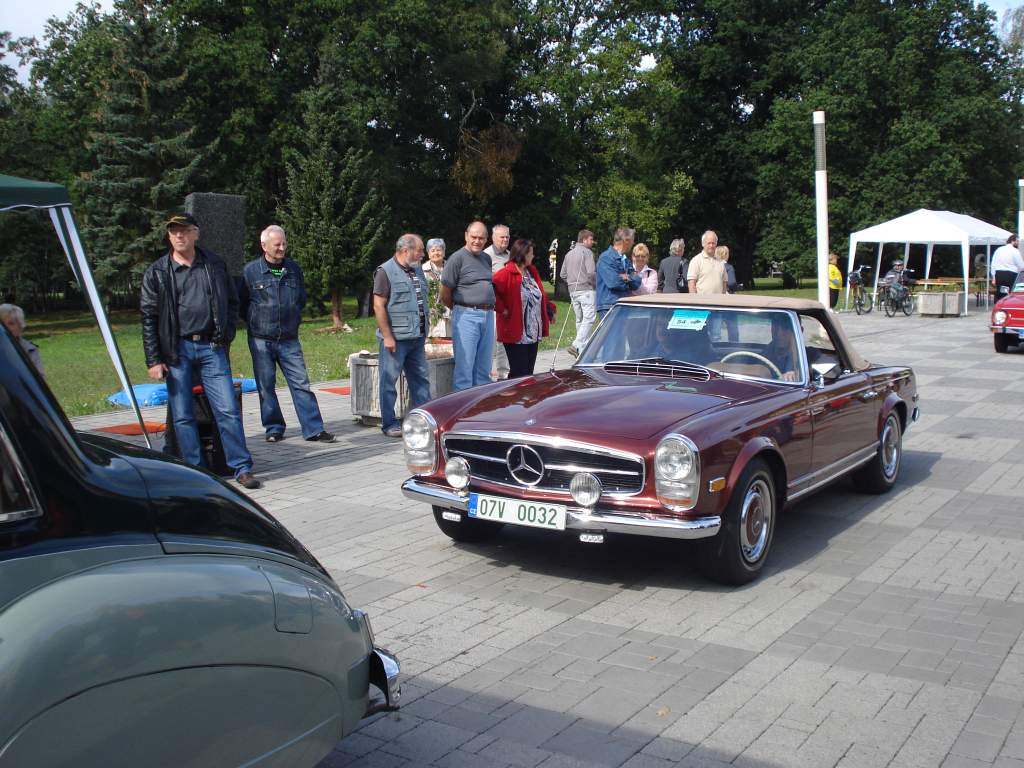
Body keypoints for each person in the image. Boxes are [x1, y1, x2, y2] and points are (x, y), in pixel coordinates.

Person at [140, 212, 260, 489]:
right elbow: (148, 317)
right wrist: (154, 359)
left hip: (211, 348)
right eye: (173, 231)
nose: (178, 236)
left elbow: (231, 302)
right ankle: (196, 472)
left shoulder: (214, 265)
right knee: (183, 415)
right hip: (176, 351)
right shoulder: (157, 271)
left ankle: (241, 468)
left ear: (196, 233)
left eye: (184, 230)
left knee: (227, 409)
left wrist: (226, 335)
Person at [239, 225, 334, 444]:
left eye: (284, 244)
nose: (282, 248)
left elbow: (300, 298)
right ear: (264, 246)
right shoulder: (250, 271)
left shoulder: (293, 269)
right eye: (277, 245)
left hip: (289, 338)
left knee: (301, 383)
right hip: (261, 339)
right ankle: (273, 427)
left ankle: (313, 429)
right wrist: (257, 321)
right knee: (266, 385)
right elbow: (242, 304)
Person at [372, 234, 432, 437]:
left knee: (421, 381)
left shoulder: (416, 269)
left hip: (417, 337)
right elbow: (378, 306)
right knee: (388, 381)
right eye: (420, 250)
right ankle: (389, 424)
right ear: (405, 250)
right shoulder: (385, 271)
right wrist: (387, 336)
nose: (422, 254)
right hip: (395, 339)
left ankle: (424, 421)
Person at [441, 221, 496, 390]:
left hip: (487, 315)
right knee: (465, 368)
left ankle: (481, 410)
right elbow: (445, 293)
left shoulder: (486, 258)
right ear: (466, 236)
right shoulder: (457, 258)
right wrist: (461, 309)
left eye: (481, 238)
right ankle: (461, 412)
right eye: (474, 237)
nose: (477, 241)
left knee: (484, 369)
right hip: (466, 315)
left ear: (486, 239)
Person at [493, 238, 552, 378]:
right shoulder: (506, 273)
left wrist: (550, 309)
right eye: (531, 253)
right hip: (516, 332)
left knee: (528, 373)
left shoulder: (531, 272)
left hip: (532, 333)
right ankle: (513, 397)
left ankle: (526, 399)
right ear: (523, 254)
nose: (533, 256)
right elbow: (491, 291)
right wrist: (503, 309)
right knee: (519, 373)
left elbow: (541, 293)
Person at [560, 229, 596, 356]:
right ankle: (576, 345)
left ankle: (581, 351)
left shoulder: (568, 254)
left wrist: (571, 283)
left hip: (573, 291)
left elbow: (562, 274)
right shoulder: (587, 252)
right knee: (589, 318)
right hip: (586, 289)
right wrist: (594, 284)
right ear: (584, 239)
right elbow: (591, 273)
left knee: (580, 319)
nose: (593, 242)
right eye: (591, 239)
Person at [596, 227, 641, 321]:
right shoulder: (606, 258)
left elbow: (637, 282)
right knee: (612, 335)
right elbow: (613, 282)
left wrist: (626, 277)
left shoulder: (626, 260)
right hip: (610, 306)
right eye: (632, 240)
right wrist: (629, 281)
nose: (633, 243)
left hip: (623, 304)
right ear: (626, 240)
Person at [485, 224, 511, 380]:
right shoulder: (486, 255)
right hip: (492, 306)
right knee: (490, 343)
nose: (505, 239)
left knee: (503, 341)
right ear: (493, 238)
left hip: (507, 306)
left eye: (507, 236)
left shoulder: (510, 255)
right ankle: (485, 375)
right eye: (502, 236)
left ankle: (503, 374)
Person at [0, 303, 45, 378]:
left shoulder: (30, 350)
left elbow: (40, 380)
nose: (5, 328)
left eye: (11, 323)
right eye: (2, 324)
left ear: (20, 327)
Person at [423, 238, 450, 337]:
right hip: (431, 315)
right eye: (432, 250)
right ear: (428, 254)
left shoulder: (451, 268)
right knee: (433, 346)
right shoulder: (423, 271)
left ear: (443, 252)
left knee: (450, 346)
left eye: (438, 250)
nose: (436, 253)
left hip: (450, 313)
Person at [767, 314, 800, 382]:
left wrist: (797, 374)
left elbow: (818, 364)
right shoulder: (766, 352)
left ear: (800, 331)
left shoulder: (807, 355)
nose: (779, 333)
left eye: (786, 327)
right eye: (775, 326)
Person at [991, 234, 1023, 302]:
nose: (1018, 243)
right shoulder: (1015, 251)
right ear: (1012, 241)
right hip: (1011, 275)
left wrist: (994, 277)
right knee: (1011, 294)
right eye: (1017, 241)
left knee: (1000, 293)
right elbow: (1021, 265)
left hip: (999, 274)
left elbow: (993, 264)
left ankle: (999, 309)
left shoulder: (999, 250)